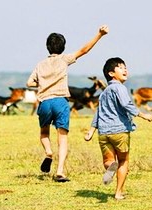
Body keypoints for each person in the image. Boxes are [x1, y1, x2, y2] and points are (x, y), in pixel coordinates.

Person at [26, 25, 109, 182]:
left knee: (44, 133)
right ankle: (60, 171)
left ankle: (49, 153)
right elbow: (84, 50)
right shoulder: (64, 59)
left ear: (47, 47)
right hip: (61, 102)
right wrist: (99, 34)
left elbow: (29, 82)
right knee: (62, 138)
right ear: (63, 47)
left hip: (44, 102)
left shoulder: (40, 64)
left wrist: (43, 83)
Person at [84, 57, 152, 200]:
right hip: (119, 131)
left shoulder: (104, 93)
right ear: (111, 73)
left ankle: (110, 166)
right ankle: (118, 193)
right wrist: (142, 115)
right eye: (120, 67)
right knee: (124, 161)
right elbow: (126, 104)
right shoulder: (119, 88)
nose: (125, 69)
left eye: (125, 67)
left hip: (104, 133)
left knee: (108, 161)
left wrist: (91, 130)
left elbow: (98, 112)